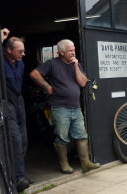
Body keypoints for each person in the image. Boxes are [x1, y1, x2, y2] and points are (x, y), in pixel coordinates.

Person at [30, 39, 100, 174]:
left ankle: (85, 163)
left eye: (74, 49)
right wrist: (46, 86)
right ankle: (64, 164)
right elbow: (34, 74)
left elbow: (83, 83)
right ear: (61, 52)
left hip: (76, 107)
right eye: (70, 50)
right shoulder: (52, 64)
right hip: (60, 107)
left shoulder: (76, 64)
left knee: (81, 135)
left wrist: (75, 66)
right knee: (62, 137)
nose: (73, 52)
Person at [2, 32, 33, 191]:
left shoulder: (20, 64)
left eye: (23, 51)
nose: (23, 54)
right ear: (8, 50)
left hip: (19, 102)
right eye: (20, 51)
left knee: (24, 139)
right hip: (7, 104)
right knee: (15, 140)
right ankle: (17, 178)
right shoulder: (2, 62)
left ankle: (20, 174)